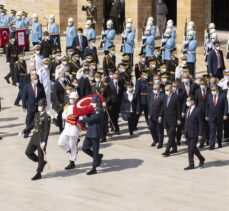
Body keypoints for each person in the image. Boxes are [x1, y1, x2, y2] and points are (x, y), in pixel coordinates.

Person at [24, 99, 51, 180]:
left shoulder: (47, 117)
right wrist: (25, 130)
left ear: (45, 106)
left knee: (40, 156)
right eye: (39, 106)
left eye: (41, 106)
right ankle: (41, 163)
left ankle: (39, 173)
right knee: (28, 152)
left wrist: (44, 142)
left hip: (41, 138)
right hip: (34, 137)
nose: (39, 107)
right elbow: (33, 124)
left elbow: (47, 131)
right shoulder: (37, 114)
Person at [80, 96, 104, 175]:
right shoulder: (92, 109)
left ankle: (94, 168)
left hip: (95, 132)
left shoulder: (100, 110)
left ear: (98, 102)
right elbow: (88, 116)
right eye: (92, 102)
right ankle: (97, 157)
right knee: (84, 148)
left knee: (95, 150)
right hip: (90, 131)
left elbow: (92, 119)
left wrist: (82, 119)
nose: (93, 104)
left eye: (94, 102)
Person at [58, 92, 79, 170]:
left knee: (73, 145)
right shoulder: (68, 107)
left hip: (74, 128)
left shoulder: (79, 107)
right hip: (67, 128)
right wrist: (69, 117)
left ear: (76, 99)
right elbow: (63, 115)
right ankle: (71, 151)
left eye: (72, 99)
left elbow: (80, 117)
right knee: (60, 143)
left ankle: (72, 162)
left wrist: (73, 117)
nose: (70, 100)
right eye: (70, 99)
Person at [159, 83, 181, 157]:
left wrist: (179, 118)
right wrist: (160, 116)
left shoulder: (176, 97)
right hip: (166, 119)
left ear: (171, 89)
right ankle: (174, 148)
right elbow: (163, 107)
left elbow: (178, 109)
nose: (166, 91)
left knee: (171, 134)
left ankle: (167, 150)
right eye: (165, 90)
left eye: (167, 90)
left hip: (173, 119)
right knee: (169, 135)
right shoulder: (165, 96)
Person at [183, 96, 205, 170]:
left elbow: (201, 123)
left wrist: (200, 134)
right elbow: (186, 122)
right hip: (188, 132)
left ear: (193, 101)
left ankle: (191, 164)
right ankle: (201, 159)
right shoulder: (187, 110)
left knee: (191, 149)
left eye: (188, 100)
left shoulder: (198, 110)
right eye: (186, 100)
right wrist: (184, 132)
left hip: (195, 133)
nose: (187, 102)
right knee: (193, 148)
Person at [22, 74, 46, 138]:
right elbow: (24, 97)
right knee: (29, 120)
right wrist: (24, 106)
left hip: (39, 106)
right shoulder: (27, 86)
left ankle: (39, 132)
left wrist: (44, 105)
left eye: (36, 79)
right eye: (34, 79)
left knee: (39, 120)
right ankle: (27, 132)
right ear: (31, 79)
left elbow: (43, 96)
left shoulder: (40, 86)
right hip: (30, 106)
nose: (36, 80)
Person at [205, 85, 228, 150]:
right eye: (212, 90)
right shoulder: (209, 96)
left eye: (214, 90)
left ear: (217, 90)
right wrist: (206, 115)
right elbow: (207, 106)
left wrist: (225, 114)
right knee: (212, 130)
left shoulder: (223, 96)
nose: (213, 91)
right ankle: (212, 145)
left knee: (219, 130)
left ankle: (219, 142)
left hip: (220, 116)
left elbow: (226, 105)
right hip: (211, 116)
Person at [148, 83, 165, 148]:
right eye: (153, 89)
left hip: (158, 116)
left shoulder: (163, 95)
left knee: (160, 130)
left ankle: (160, 142)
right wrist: (149, 114)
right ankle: (155, 140)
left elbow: (163, 107)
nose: (154, 90)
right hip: (151, 115)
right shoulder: (152, 94)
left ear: (159, 89)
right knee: (152, 129)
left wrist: (161, 116)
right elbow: (150, 105)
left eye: (155, 89)